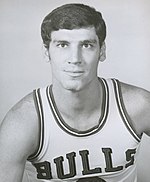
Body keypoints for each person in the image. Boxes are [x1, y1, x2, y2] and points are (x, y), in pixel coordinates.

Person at [0, 3, 150, 182]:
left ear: (101, 51)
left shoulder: (138, 106)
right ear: (47, 52)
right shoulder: (22, 124)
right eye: (63, 45)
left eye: (86, 45)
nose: (75, 59)